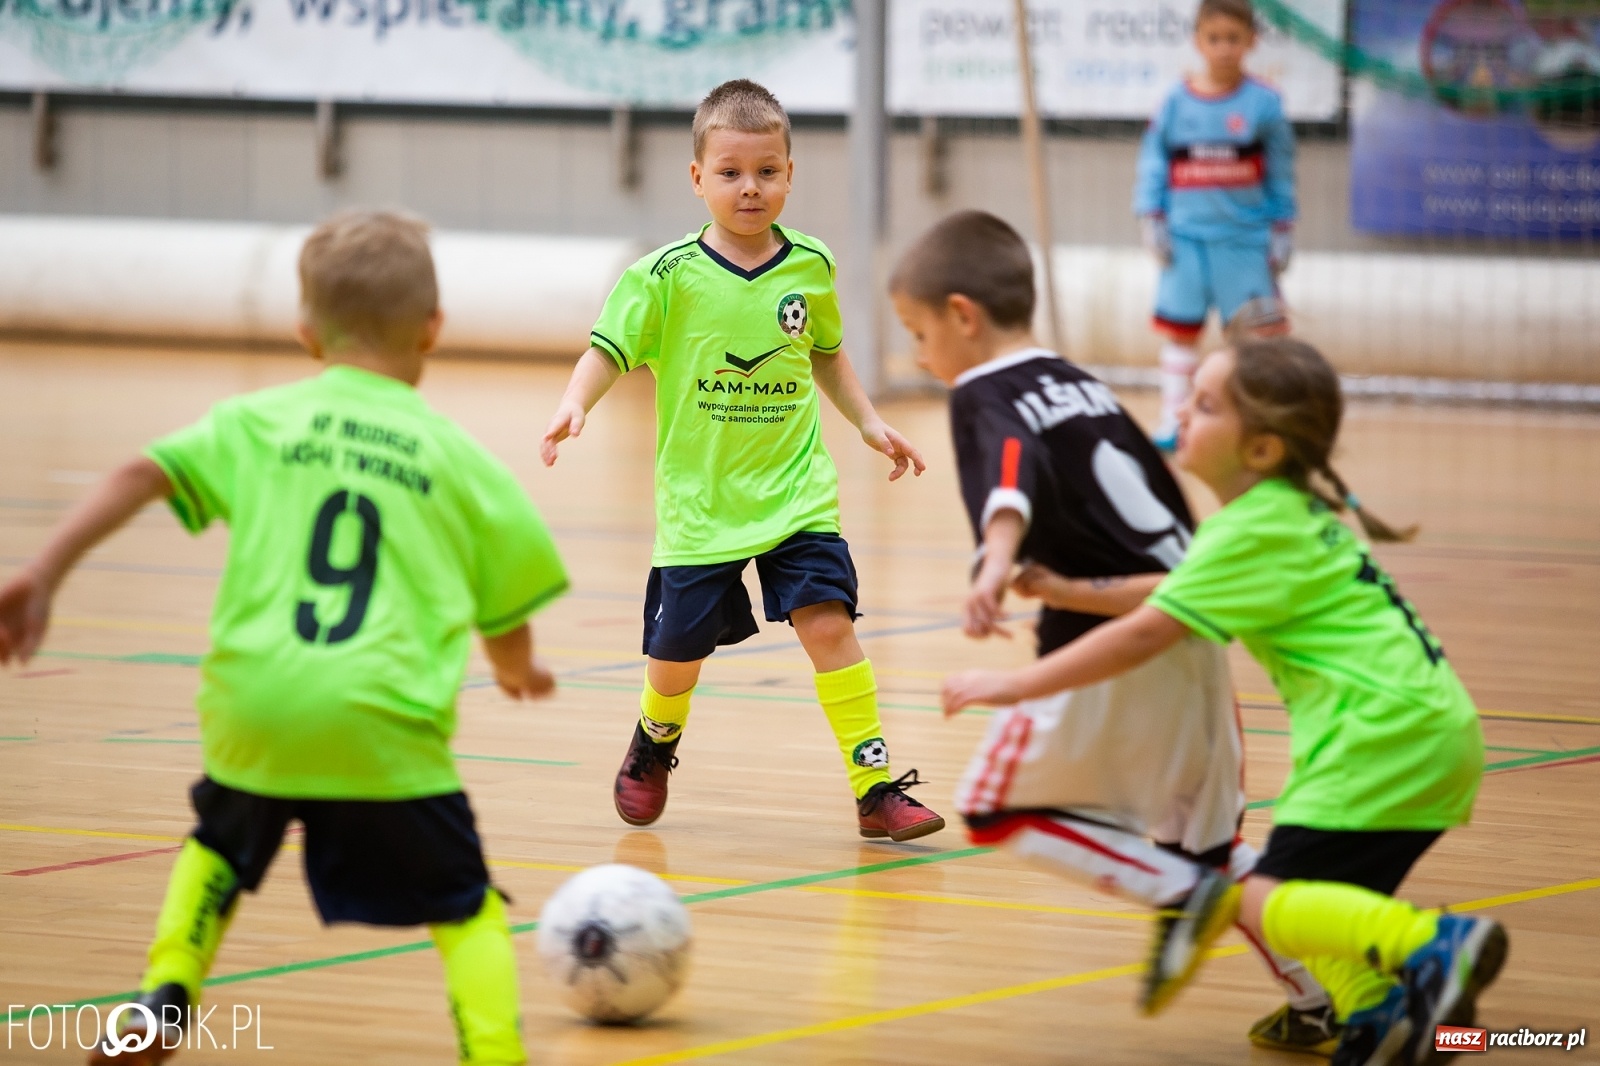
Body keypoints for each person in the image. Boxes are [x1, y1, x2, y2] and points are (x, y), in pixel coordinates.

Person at [0, 211, 568, 1066]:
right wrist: (517, 670)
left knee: (218, 848)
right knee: (465, 906)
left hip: (255, 706)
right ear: (433, 327)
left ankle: (166, 992)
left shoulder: (254, 423)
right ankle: (495, 1055)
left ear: (305, 331)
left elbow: (141, 473)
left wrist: (44, 571)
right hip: (381, 723)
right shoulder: (462, 458)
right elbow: (506, 608)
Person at [942, 337, 1503, 1066]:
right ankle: (1377, 1013)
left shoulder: (1250, 528)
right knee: (1311, 905)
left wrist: (1014, 684)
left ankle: (1435, 943)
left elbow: (1147, 632)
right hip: (1430, 732)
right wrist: (1065, 591)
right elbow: (1174, 590)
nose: (1181, 411)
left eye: (1204, 405)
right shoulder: (1282, 514)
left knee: (1260, 897)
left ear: (1262, 449)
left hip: (1377, 741)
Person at [890, 211, 1337, 1056]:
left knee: (994, 808)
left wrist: (994, 564)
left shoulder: (983, 390)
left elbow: (1009, 474)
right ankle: (1324, 995)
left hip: (1106, 644)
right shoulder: (1081, 383)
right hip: (1187, 626)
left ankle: (1188, 901)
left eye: (917, 333)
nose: (919, 355)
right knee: (1208, 848)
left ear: (962, 316)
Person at [539, 79, 944, 842]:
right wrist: (574, 403)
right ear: (698, 178)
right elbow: (607, 350)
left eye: (766, 171)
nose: (749, 187)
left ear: (790, 174)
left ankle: (874, 786)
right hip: (702, 505)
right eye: (730, 172)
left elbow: (825, 353)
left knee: (829, 625)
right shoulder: (663, 276)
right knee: (677, 657)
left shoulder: (811, 265)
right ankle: (654, 740)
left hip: (796, 494)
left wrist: (868, 422)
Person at [1134, 0, 1296, 451]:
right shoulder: (1173, 102)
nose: (1224, 48)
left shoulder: (1265, 103)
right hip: (1185, 240)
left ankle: (1257, 422)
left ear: (1252, 41)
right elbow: (1152, 162)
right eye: (1214, 38)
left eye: (1233, 38)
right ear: (1198, 42)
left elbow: (1282, 170)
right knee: (1180, 334)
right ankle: (1173, 421)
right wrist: (1151, 217)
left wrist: (1283, 227)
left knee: (1257, 341)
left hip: (1245, 242)